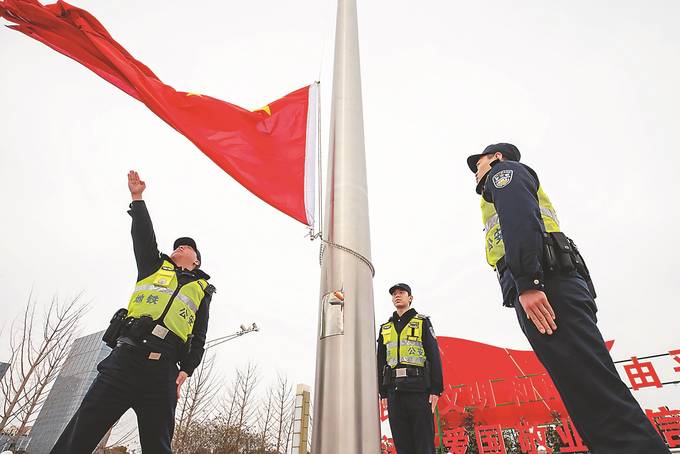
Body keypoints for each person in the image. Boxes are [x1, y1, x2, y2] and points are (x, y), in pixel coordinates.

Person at [467, 143, 669, 454]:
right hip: (551, 286)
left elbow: (521, 220)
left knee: (593, 390)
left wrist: (528, 283)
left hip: (546, 288)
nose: (475, 173)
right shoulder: (497, 187)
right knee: (584, 390)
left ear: (496, 157)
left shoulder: (503, 174)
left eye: (477, 164)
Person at [51, 170, 215, 454]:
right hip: (125, 360)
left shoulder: (202, 290)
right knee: (80, 434)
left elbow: (199, 336)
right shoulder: (153, 266)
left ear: (197, 260)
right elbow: (143, 236)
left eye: (187, 246)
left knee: (158, 446)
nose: (180, 246)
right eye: (177, 245)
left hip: (164, 370)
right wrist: (137, 198)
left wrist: (186, 370)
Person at [377, 283, 444, 454]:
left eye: (401, 293)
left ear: (410, 298)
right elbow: (380, 361)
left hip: (418, 389)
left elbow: (433, 355)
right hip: (394, 391)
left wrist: (436, 389)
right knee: (402, 444)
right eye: (394, 294)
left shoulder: (421, 322)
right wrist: (383, 392)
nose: (397, 296)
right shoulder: (385, 328)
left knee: (423, 444)